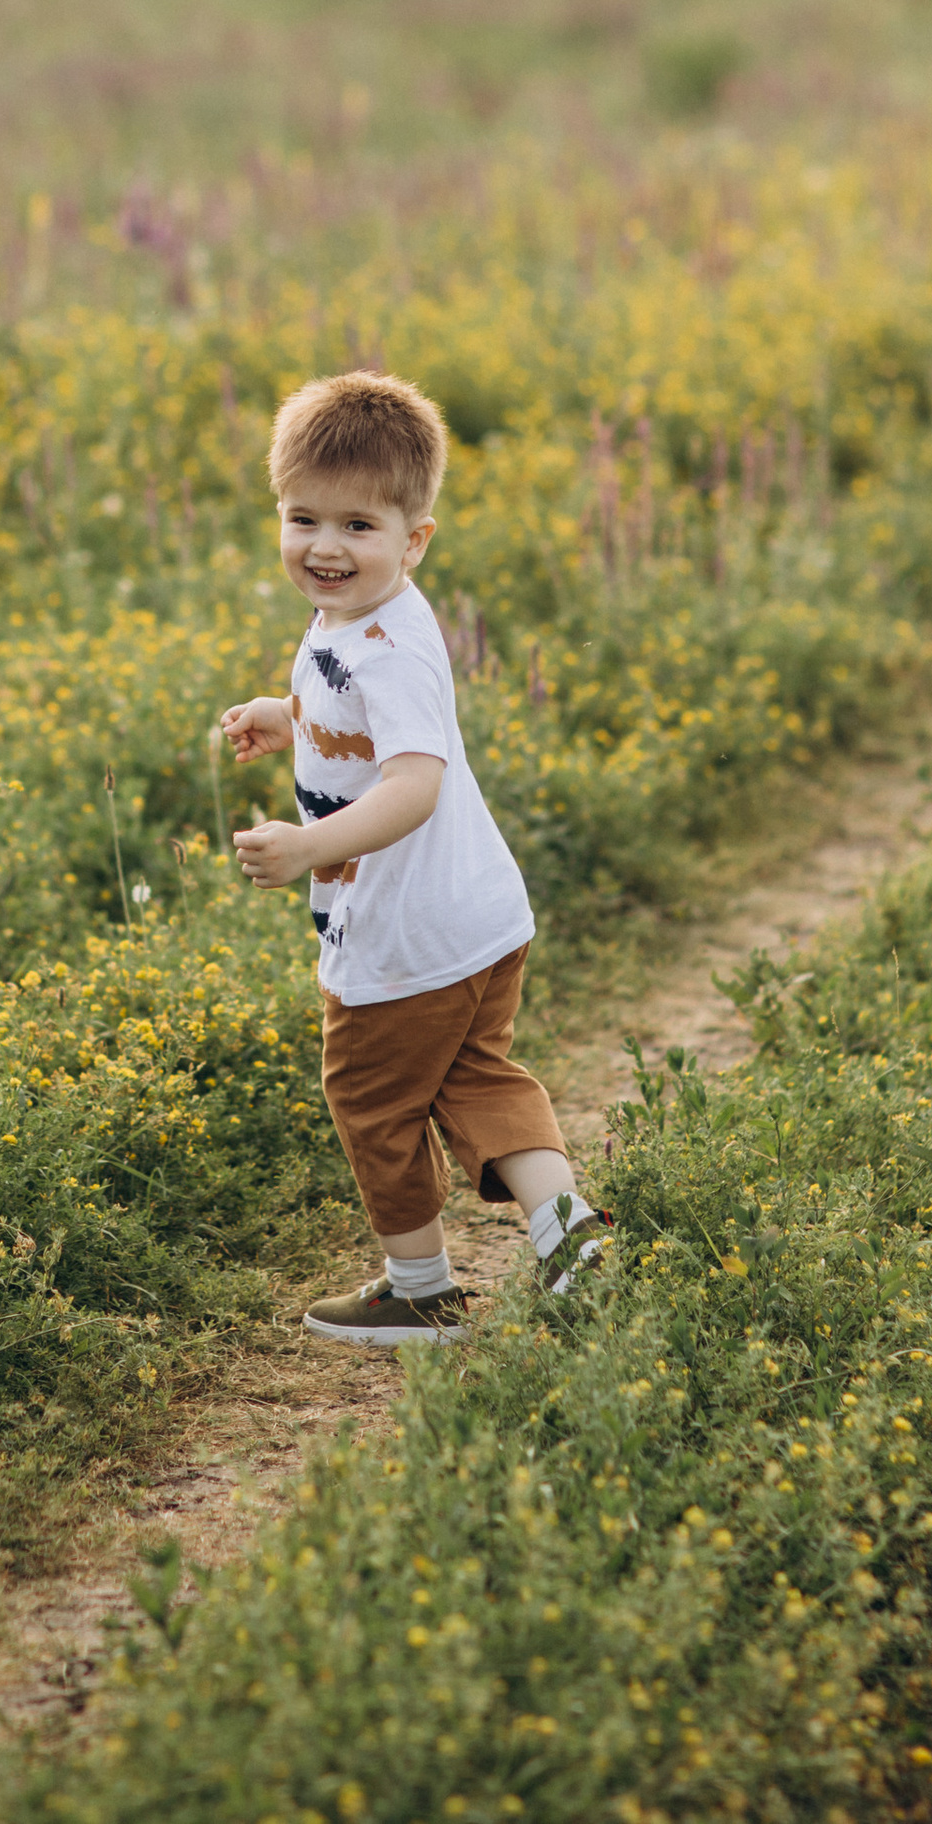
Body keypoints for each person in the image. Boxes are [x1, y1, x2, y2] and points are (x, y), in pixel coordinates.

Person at [220, 370, 609, 1345]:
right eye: (302, 517)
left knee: (370, 1096)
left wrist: (309, 843)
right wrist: (292, 716)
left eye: (357, 526)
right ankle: (569, 1233)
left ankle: (420, 1289)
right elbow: (366, 712)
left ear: (414, 537)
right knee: (477, 1076)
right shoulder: (372, 617)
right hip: (478, 915)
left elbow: (412, 782)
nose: (323, 546)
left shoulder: (378, 644)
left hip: (401, 936)